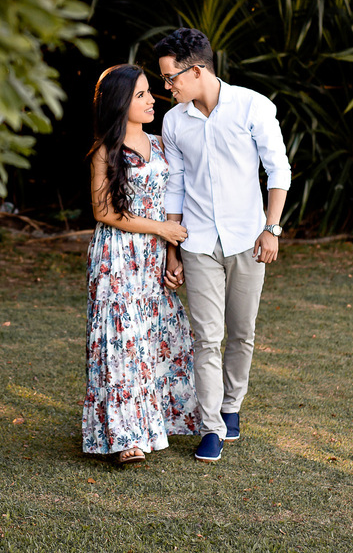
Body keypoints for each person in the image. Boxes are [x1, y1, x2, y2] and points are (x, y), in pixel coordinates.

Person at [154, 28, 291, 463]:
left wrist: (272, 229)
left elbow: (279, 171)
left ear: (197, 70)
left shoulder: (253, 106)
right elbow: (174, 184)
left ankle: (232, 406)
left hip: (248, 239)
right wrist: (172, 246)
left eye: (170, 78)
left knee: (242, 332)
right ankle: (211, 426)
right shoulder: (174, 121)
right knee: (205, 337)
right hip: (197, 242)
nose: (167, 87)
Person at [82, 63, 201, 466]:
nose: (152, 100)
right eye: (141, 95)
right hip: (118, 255)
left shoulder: (160, 144)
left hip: (153, 255)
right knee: (121, 342)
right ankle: (124, 437)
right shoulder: (106, 151)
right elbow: (104, 211)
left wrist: (172, 254)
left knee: (154, 339)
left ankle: (155, 422)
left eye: (150, 92)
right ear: (120, 103)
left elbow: (172, 203)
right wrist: (162, 232)